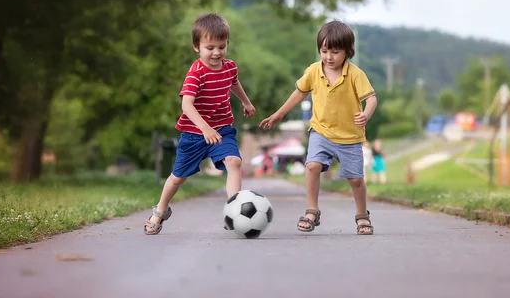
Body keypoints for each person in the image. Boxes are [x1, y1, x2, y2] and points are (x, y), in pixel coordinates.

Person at [259, 20, 377, 235]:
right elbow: (299, 93)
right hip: (320, 131)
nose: (329, 57)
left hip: (349, 136)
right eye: (324, 51)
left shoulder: (355, 74)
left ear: (348, 52)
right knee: (312, 166)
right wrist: (279, 113)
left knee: (356, 179)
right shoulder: (314, 71)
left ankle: (362, 215)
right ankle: (312, 210)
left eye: (335, 52)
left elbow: (371, 99)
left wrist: (366, 114)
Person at [144, 13, 256, 235]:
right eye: (210, 47)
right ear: (197, 47)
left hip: (222, 128)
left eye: (222, 46)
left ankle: (233, 211)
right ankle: (160, 209)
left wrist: (246, 101)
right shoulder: (196, 73)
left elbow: (233, 82)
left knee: (234, 161)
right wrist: (205, 127)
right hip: (194, 133)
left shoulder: (230, 67)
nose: (216, 52)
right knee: (177, 178)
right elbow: (187, 105)